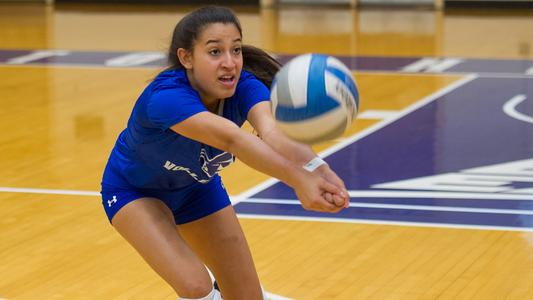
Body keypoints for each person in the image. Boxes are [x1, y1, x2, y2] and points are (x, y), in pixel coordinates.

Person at [100, 5, 349, 300]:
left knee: (247, 296)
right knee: (195, 285)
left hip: (196, 190)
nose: (230, 63)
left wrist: (319, 169)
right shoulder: (166, 98)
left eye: (236, 50)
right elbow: (235, 141)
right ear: (186, 57)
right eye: (215, 52)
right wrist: (299, 181)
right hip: (135, 191)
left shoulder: (244, 86)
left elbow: (271, 132)